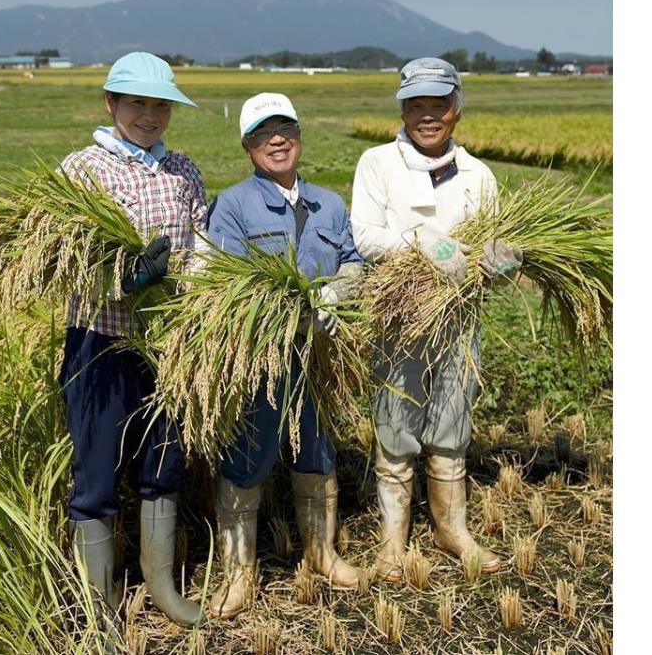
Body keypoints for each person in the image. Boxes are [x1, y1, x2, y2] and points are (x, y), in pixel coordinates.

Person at [350, 57, 523, 580]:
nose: (428, 115)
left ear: (456, 109)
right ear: (402, 109)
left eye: (438, 105)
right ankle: (392, 542)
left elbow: (492, 242)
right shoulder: (377, 163)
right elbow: (364, 236)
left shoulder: (478, 173)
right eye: (416, 105)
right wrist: (425, 244)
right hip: (399, 317)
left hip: (459, 318)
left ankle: (452, 531)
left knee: (452, 421)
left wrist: (499, 259)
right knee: (395, 424)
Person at [58, 52, 207, 628]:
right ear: (111, 104)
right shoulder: (83, 169)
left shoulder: (184, 170)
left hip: (170, 344)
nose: (149, 115)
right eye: (137, 103)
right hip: (102, 340)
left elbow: (200, 246)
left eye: (160, 105)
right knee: (95, 471)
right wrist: (124, 281)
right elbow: (63, 261)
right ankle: (99, 603)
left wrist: (194, 292)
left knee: (163, 461)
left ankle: (162, 586)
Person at [204, 93, 363, 618]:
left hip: (318, 352)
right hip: (260, 358)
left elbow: (354, 259)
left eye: (286, 129)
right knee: (247, 455)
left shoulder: (329, 203)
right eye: (265, 132)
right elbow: (221, 277)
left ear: (299, 137)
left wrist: (342, 287)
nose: (278, 139)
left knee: (316, 452)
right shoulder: (232, 204)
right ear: (248, 146)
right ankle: (239, 574)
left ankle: (322, 553)